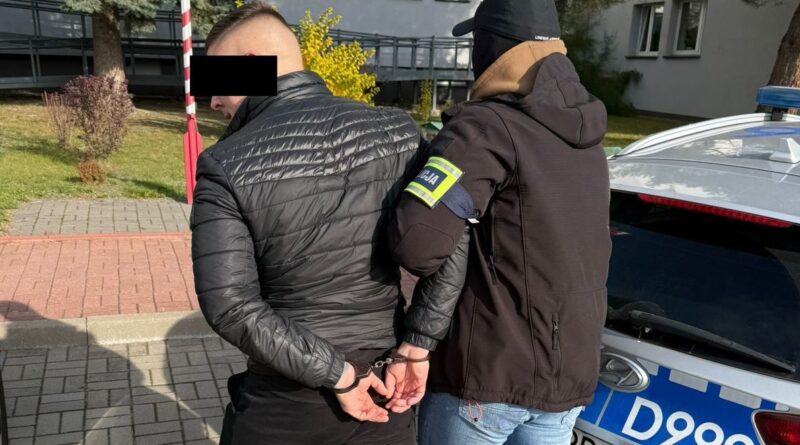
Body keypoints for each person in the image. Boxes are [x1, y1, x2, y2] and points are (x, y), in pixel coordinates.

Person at [189, 4, 425, 444]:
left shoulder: (224, 163)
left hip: (287, 405)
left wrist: (340, 375)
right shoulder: (399, 132)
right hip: (388, 391)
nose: (214, 100)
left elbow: (230, 305)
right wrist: (419, 345)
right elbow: (452, 248)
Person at [384, 0, 612, 444]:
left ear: (493, 47)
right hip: (568, 378)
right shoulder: (588, 134)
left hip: (487, 379)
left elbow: (416, 243)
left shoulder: (484, 128)